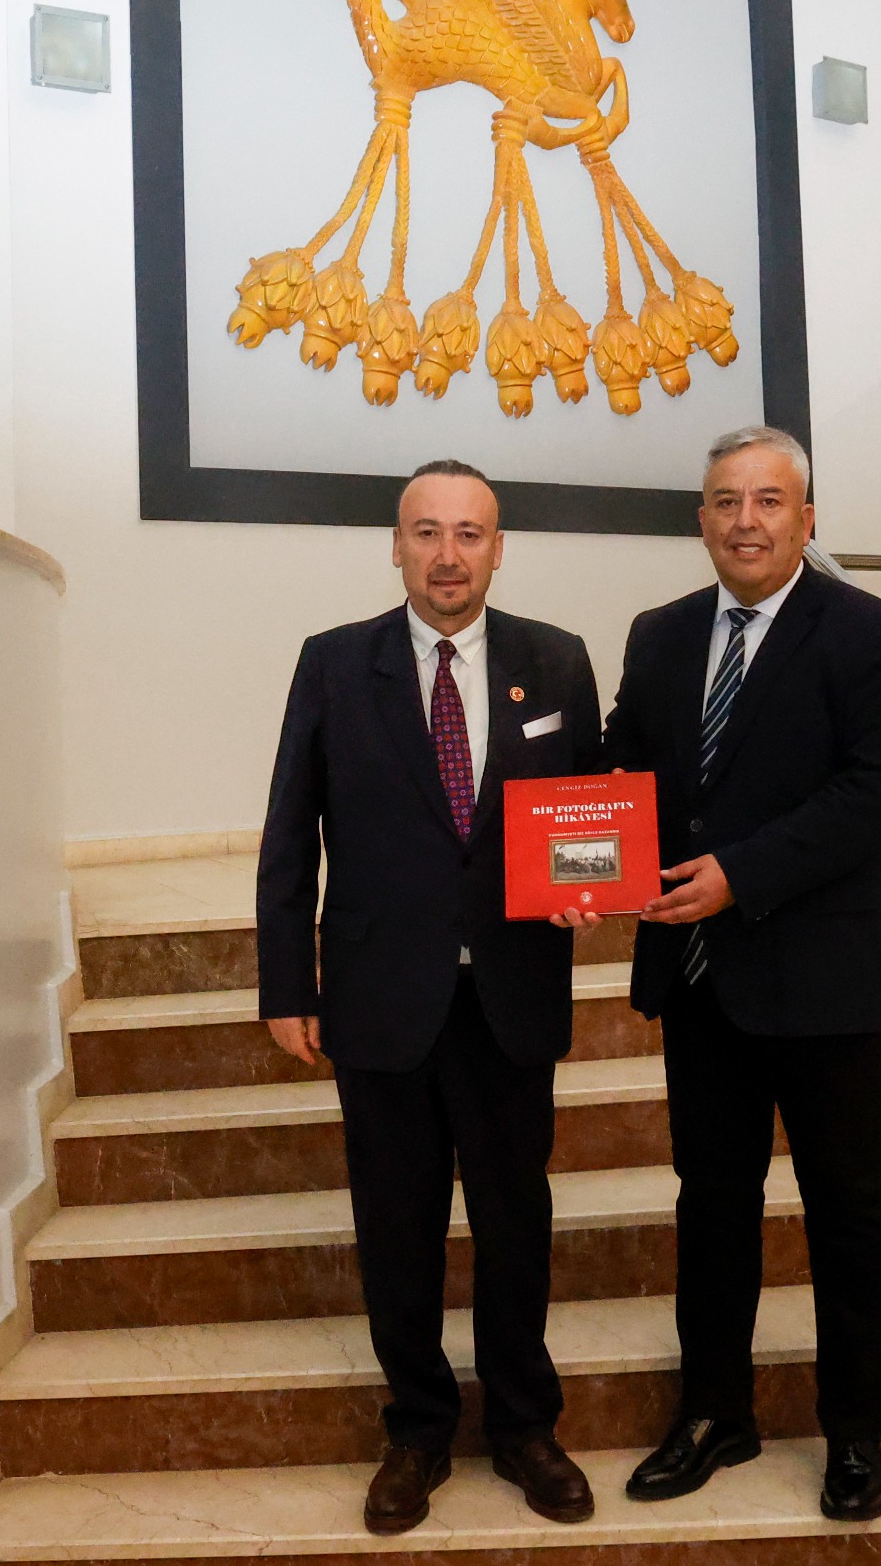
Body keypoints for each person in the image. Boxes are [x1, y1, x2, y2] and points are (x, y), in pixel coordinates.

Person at [258, 459, 606, 1535]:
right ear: (397, 545)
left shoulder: (556, 659)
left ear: (498, 549)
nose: (448, 555)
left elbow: (586, 808)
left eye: (468, 534)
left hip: (510, 991)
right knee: (396, 1228)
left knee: (514, 1221)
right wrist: (286, 981)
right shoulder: (333, 663)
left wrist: (587, 883)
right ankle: (415, 1429)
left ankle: (523, 1425)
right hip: (380, 996)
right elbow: (289, 832)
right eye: (427, 532)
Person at [596, 425, 881, 1521]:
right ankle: (714, 1413)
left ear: (807, 518)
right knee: (712, 1207)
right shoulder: (658, 635)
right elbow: (624, 769)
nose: (746, 520)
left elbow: (879, 787)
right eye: (726, 501)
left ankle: (854, 1434)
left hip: (826, 981)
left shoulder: (869, 633)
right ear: (701, 519)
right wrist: (572, 858)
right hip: (702, 982)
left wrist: (741, 874)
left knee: (847, 1216)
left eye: (769, 501)